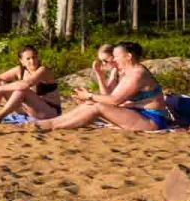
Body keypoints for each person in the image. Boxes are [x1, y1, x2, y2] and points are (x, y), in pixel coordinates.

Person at [34, 41, 173, 132]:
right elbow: (112, 98)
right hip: (138, 114)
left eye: (117, 56)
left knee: (97, 106)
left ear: (129, 56)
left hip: (152, 120)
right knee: (90, 104)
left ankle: (52, 126)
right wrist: (89, 97)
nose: (115, 59)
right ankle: (51, 122)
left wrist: (89, 95)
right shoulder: (129, 72)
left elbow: (114, 100)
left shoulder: (137, 74)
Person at [0, 45, 60, 123]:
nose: (32, 61)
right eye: (28, 59)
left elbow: (27, 84)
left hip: (49, 112)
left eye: (34, 57)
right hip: (28, 110)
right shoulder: (20, 70)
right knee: (0, 82)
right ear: (21, 61)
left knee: (22, 90)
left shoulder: (43, 70)